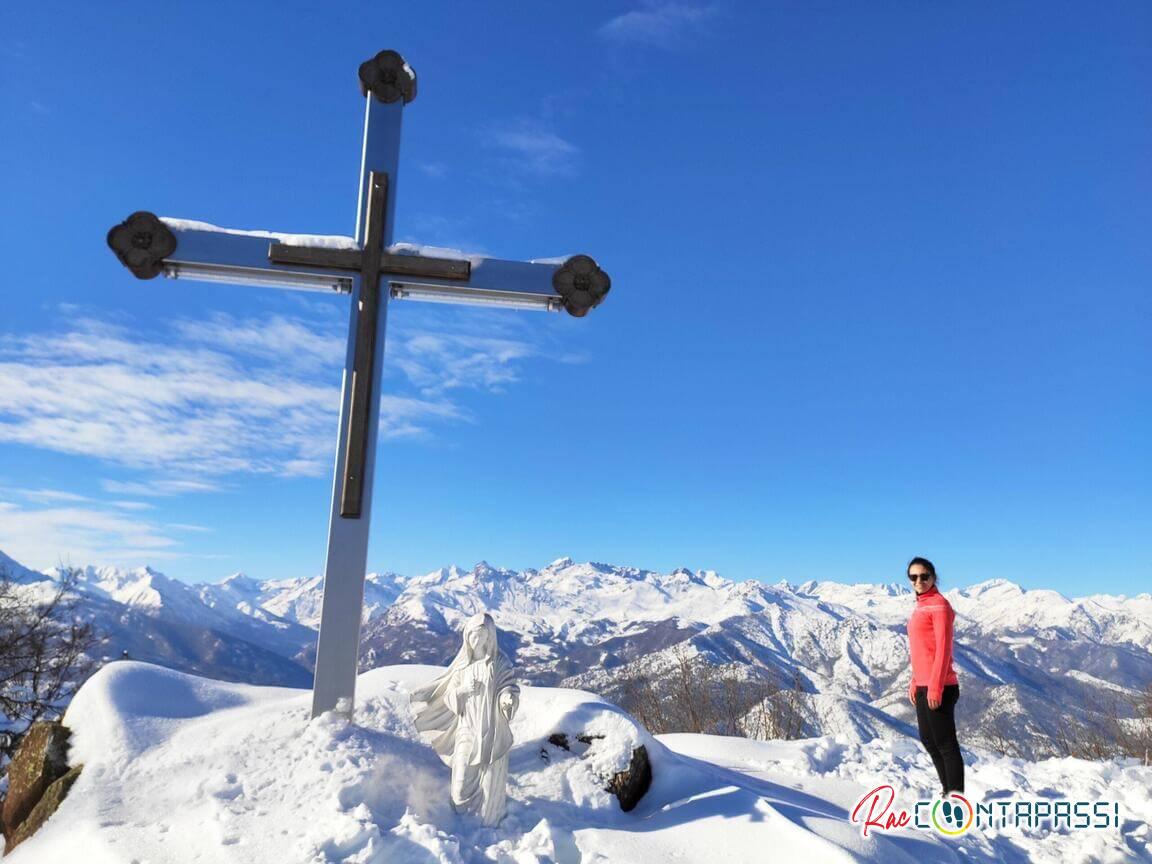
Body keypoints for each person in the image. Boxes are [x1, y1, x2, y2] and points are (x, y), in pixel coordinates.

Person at [411, 613, 520, 826]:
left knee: (489, 782)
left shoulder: (499, 662)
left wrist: (507, 697)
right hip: (467, 730)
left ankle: (486, 820)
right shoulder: (463, 667)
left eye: (482, 635)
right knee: (460, 783)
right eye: (473, 636)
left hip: (491, 732)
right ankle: (460, 818)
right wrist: (462, 691)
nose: (477, 640)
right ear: (467, 638)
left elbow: (509, 684)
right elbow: (450, 696)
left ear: (490, 637)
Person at [905, 556, 964, 797]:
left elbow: (942, 649)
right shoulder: (921, 605)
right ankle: (947, 791)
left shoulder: (940, 605)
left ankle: (956, 797)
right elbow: (921, 649)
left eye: (924, 576)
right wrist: (914, 680)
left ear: (933, 577)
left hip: (939, 686)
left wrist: (935, 687)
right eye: (913, 577)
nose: (919, 581)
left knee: (946, 745)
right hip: (923, 684)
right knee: (929, 741)